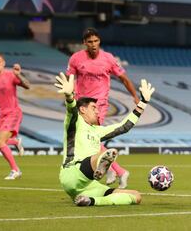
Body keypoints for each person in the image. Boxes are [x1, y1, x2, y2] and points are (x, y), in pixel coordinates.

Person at [55, 72, 155, 206]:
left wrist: (143, 103)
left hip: (89, 186)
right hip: (72, 173)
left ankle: (92, 201)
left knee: (136, 196)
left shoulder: (98, 131)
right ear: (83, 110)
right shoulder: (75, 123)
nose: (97, 111)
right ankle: (102, 164)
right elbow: (72, 110)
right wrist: (69, 96)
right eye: (93, 108)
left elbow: (124, 126)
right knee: (105, 153)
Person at [66, 27, 140, 188]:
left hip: (99, 104)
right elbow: (69, 79)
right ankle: (113, 169)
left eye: (96, 41)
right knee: (90, 138)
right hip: (81, 105)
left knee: (92, 137)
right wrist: (69, 94)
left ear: (99, 41)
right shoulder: (76, 59)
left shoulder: (108, 59)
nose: (93, 44)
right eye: (90, 41)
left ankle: (117, 171)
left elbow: (124, 79)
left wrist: (134, 96)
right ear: (84, 43)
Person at [0, 52, 30, 180]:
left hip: (13, 113)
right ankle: (15, 141)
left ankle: (15, 170)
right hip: (1, 115)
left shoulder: (11, 75)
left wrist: (19, 74)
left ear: (3, 63)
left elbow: (27, 85)